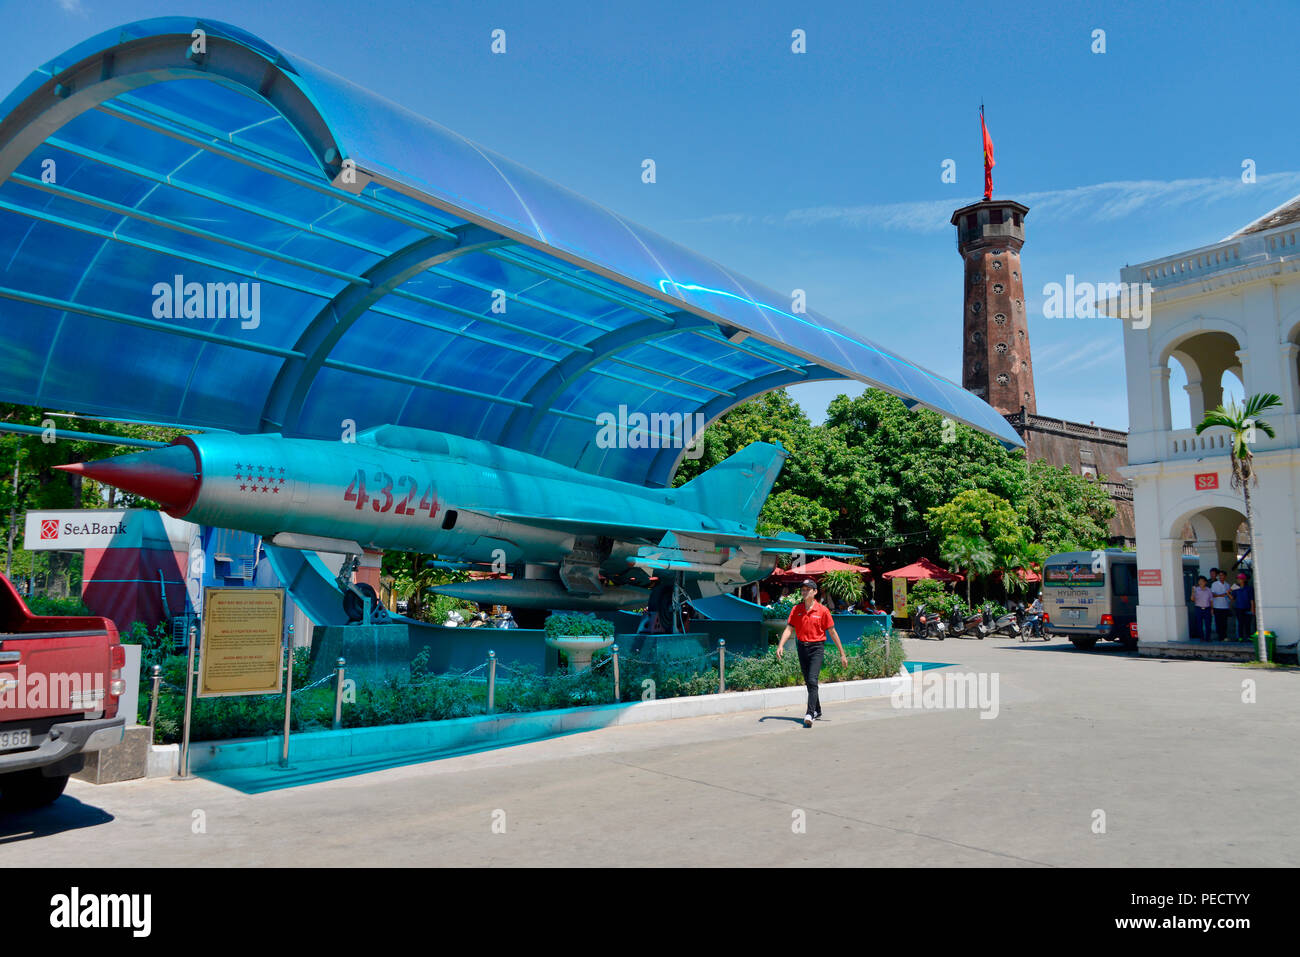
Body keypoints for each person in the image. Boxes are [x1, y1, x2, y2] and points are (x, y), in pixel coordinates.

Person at [776, 578, 848, 727]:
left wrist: (842, 653)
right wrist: (781, 645)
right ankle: (818, 709)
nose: (804, 592)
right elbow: (789, 628)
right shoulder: (797, 609)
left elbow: (832, 632)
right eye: (802, 589)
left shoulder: (823, 610)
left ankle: (809, 713)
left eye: (807, 589)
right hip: (802, 647)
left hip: (817, 648)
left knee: (813, 679)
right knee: (809, 681)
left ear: (814, 592)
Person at [1231, 573, 1255, 643]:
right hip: (1239, 608)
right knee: (1240, 623)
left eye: (1240, 579)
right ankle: (1240, 637)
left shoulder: (1249, 588)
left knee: (1248, 623)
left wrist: (1253, 608)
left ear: (1243, 580)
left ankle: (1248, 636)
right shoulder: (1235, 588)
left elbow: (1252, 599)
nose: (1238, 580)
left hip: (1247, 607)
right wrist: (1228, 593)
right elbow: (1233, 598)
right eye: (1237, 578)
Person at [1210, 570, 1232, 642]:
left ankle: (1224, 636)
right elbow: (1212, 594)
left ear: (1225, 576)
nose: (1221, 577)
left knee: (1224, 623)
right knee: (1218, 622)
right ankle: (1220, 636)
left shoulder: (1227, 584)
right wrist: (1221, 595)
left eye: (1222, 575)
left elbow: (1229, 596)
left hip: (1225, 606)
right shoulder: (1214, 584)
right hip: (1217, 606)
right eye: (1219, 575)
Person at [1191, 575, 1213, 641]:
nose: (1200, 582)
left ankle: (1208, 638)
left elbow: (1211, 600)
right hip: (1198, 608)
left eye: (1202, 581)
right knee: (1199, 624)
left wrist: (1212, 609)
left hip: (1207, 608)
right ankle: (1201, 638)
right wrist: (1192, 592)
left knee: (1208, 624)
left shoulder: (1208, 590)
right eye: (1199, 581)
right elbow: (1192, 599)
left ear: (1205, 582)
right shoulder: (1196, 589)